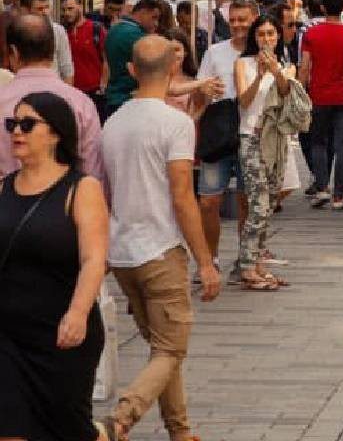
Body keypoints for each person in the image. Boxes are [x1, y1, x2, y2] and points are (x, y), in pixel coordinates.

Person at [102, 36, 221, 439]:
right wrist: (205, 261)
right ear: (173, 70)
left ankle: (181, 432)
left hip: (122, 253)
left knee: (163, 350)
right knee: (171, 349)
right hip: (161, 248)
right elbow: (183, 196)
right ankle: (121, 418)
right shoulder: (176, 123)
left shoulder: (114, 121)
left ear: (131, 70)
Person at [0, 92, 110, 441]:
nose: (17, 131)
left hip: (60, 332)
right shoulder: (1, 188)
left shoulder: (81, 189)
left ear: (56, 133)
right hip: (7, 334)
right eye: (12, 124)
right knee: (9, 429)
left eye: (28, 124)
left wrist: (78, 313)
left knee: (67, 430)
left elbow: (94, 259)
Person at [0, 15, 104, 182]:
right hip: (68, 204)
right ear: (52, 49)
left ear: (14, 52)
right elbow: (93, 173)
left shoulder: (2, 101)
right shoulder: (81, 104)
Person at [194, 0, 254, 276]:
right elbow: (200, 91)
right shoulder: (215, 53)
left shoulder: (263, 52)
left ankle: (245, 257)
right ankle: (211, 258)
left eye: (243, 19)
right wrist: (206, 89)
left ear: (254, 19)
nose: (238, 25)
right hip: (218, 130)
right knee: (208, 200)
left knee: (245, 199)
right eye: (234, 20)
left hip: (251, 131)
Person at [234, 15, 294, 290]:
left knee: (269, 203)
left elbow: (285, 95)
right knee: (257, 203)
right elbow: (244, 101)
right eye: (261, 34)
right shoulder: (242, 64)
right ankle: (246, 265)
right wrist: (259, 75)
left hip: (276, 140)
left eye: (271, 33)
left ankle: (257, 261)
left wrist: (276, 71)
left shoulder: (285, 65)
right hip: (251, 138)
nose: (267, 39)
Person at [301, 0, 343, 211]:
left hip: (318, 95)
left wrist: (301, 90)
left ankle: (322, 188)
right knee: (342, 145)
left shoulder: (312, 34)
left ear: (323, 8)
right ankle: (339, 196)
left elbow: (305, 66)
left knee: (318, 143)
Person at [103, 0, 161, 117]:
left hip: (113, 96)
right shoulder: (136, 36)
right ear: (143, 12)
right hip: (128, 98)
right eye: (153, 17)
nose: (156, 23)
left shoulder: (114, 29)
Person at [18, 0, 74, 84]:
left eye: (47, 7)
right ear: (25, 10)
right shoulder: (16, 33)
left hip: (54, 90)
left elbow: (67, 69)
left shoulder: (58, 31)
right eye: (39, 9)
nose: (45, 12)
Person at [61, 0, 108, 110]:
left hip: (94, 92)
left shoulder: (95, 29)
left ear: (80, 7)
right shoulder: (62, 32)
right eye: (64, 10)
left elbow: (106, 60)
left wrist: (103, 85)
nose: (67, 13)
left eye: (70, 9)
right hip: (70, 91)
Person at [176, 0, 209, 64]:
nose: (189, 27)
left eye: (193, 22)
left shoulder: (206, 37)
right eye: (184, 23)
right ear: (177, 18)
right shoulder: (173, 37)